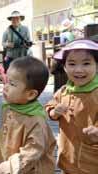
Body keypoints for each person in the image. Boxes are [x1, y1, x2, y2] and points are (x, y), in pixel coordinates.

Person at [0, 56, 56, 174]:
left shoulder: (35, 121)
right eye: (6, 81)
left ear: (30, 94)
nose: (5, 87)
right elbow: (9, 132)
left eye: (12, 84)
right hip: (7, 162)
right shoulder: (11, 108)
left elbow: (32, 151)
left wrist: (8, 167)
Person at [45, 39, 98, 174]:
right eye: (72, 64)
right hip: (67, 155)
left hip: (92, 160)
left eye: (86, 63)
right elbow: (50, 106)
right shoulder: (64, 90)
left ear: (96, 65)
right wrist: (54, 112)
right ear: (64, 67)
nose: (78, 69)